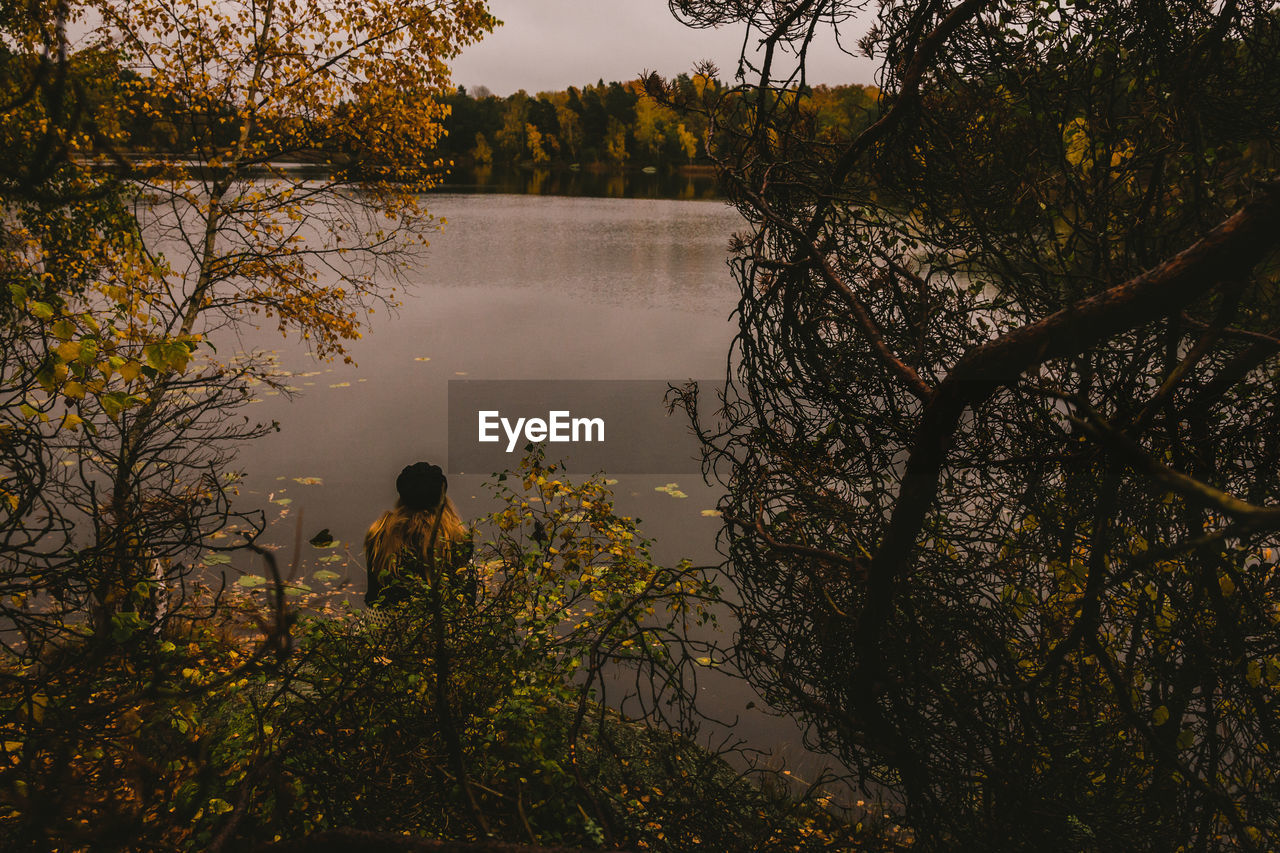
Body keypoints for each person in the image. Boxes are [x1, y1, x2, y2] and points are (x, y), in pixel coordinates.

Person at [364, 462, 474, 607]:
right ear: (441, 499)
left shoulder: (379, 533)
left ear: (402, 497)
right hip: (439, 623)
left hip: (384, 624)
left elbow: (373, 594)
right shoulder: (456, 537)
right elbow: (468, 598)